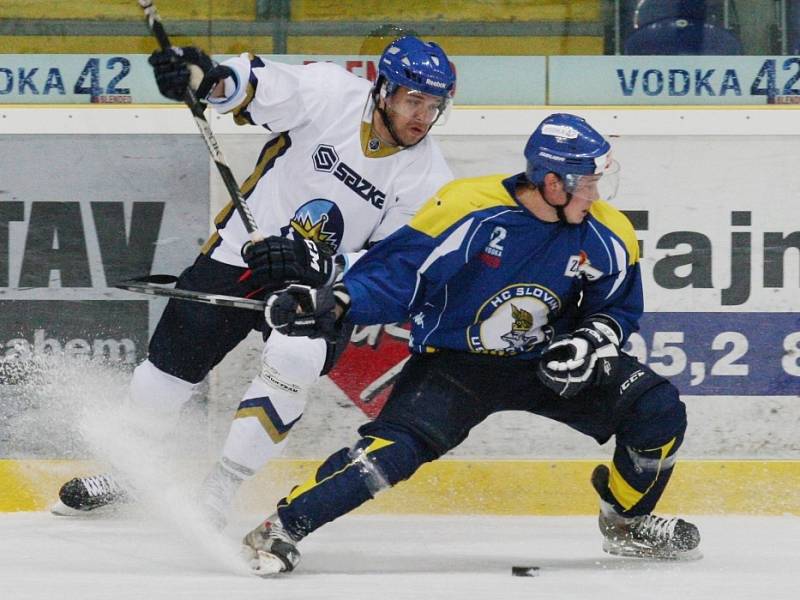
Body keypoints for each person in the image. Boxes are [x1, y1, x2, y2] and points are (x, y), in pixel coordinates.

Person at [240, 113, 702, 575]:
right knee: (391, 453)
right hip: (455, 365)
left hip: (547, 362)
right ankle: (281, 526)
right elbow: (399, 275)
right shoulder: (468, 208)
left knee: (657, 408)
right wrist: (338, 303)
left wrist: (587, 343)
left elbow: (616, 307)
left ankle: (626, 522)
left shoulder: (607, 231)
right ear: (551, 182)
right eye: (585, 184)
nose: (594, 195)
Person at [52, 35, 456, 527]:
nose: (422, 116)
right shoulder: (330, 92)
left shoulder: (429, 178)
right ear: (384, 90)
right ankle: (128, 473)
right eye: (413, 100)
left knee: (295, 359)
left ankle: (220, 490)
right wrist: (202, 78)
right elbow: (249, 87)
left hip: (317, 287)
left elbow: (384, 266)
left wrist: (313, 262)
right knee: (165, 370)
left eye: (434, 106)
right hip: (240, 251)